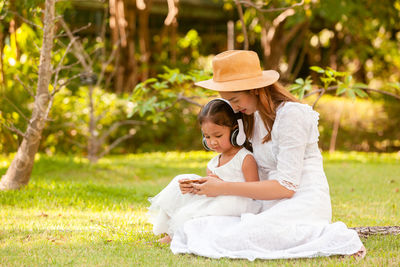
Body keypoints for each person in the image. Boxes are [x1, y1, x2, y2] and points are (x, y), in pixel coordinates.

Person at [172, 50, 366, 260]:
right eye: (228, 101)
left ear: (255, 89)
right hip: (266, 202)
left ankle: (330, 236)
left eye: (235, 99)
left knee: (245, 234)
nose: (234, 108)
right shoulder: (251, 116)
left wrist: (223, 187)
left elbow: (286, 187)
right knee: (204, 226)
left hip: (301, 201)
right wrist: (214, 183)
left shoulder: (291, 115)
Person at [147, 98, 262, 244]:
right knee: (181, 180)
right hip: (217, 200)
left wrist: (222, 186)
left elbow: (255, 192)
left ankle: (176, 235)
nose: (213, 142)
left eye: (218, 135)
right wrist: (194, 186)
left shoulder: (245, 158)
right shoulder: (213, 163)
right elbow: (210, 190)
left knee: (201, 208)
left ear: (235, 130)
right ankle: (170, 227)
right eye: (207, 136)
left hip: (238, 202)